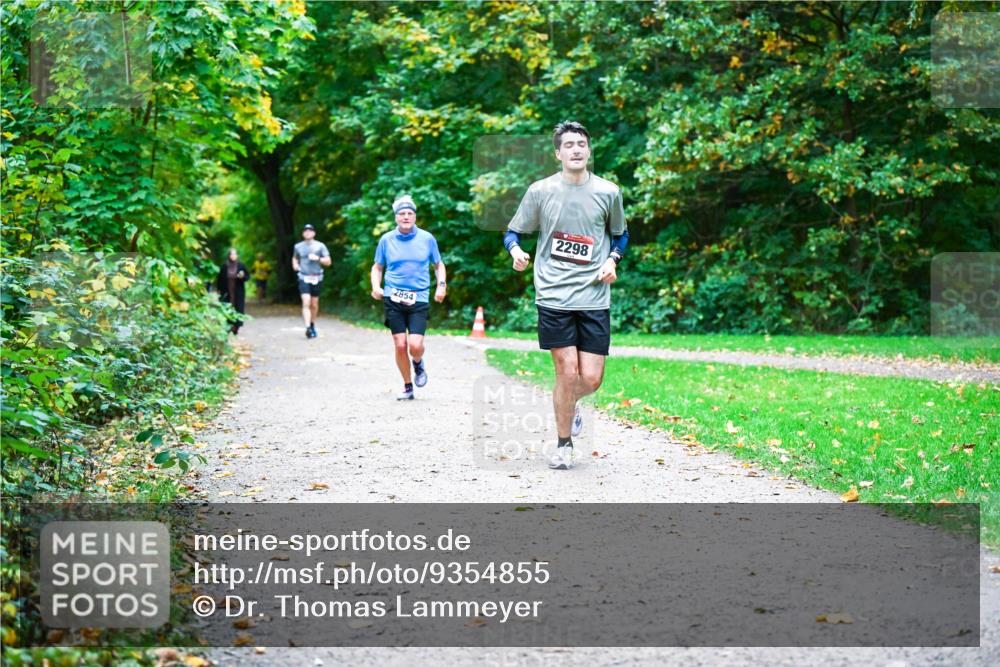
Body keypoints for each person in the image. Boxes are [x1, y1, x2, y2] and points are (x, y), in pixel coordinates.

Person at [503, 121, 629, 470]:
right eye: (569, 145)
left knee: (591, 379)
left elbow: (620, 236)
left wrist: (612, 259)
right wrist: (516, 252)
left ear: (589, 151)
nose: (576, 149)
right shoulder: (540, 191)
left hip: (593, 297)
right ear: (558, 153)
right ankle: (563, 444)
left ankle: (567, 405)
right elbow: (513, 232)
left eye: (581, 144)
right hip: (553, 295)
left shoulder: (608, 192)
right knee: (566, 371)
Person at [370, 194, 447, 400]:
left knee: (415, 345)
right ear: (396, 217)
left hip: (419, 297)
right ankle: (407, 386)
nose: (406, 217)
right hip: (393, 297)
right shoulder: (386, 240)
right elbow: (377, 267)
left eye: (409, 213)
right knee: (400, 344)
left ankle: (418, 363)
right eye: (402, 213)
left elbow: (438, 264)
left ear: (415, 216)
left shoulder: (427, 238)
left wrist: (441, 286)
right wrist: (376, 286)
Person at [292, 223, 331, 338]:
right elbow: (294, 257)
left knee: (314, 304)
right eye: (305, 230)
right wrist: (295, 265)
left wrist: (318, 258)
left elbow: (328, 261)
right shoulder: (298, 246)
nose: (307, 232)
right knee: (306, 301)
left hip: (317, 277)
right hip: (303, 276)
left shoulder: (320, 246)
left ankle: (312, 324)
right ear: (303, 233)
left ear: (314, 233)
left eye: (310, 230)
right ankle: (308, 327)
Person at [216, 248, 250, 335]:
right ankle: (229, 325)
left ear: (237, 255)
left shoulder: (241, 265)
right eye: (231, 254)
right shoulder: (224, 266)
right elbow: (219, 279)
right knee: (228, 307)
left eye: (234, 254)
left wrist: (242, 276)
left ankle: (236, 327)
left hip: (238, 291)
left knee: (238, 308)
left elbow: (247, 277)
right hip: (227, 291)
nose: (233, 256)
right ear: (229, 256)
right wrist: (219, 290)